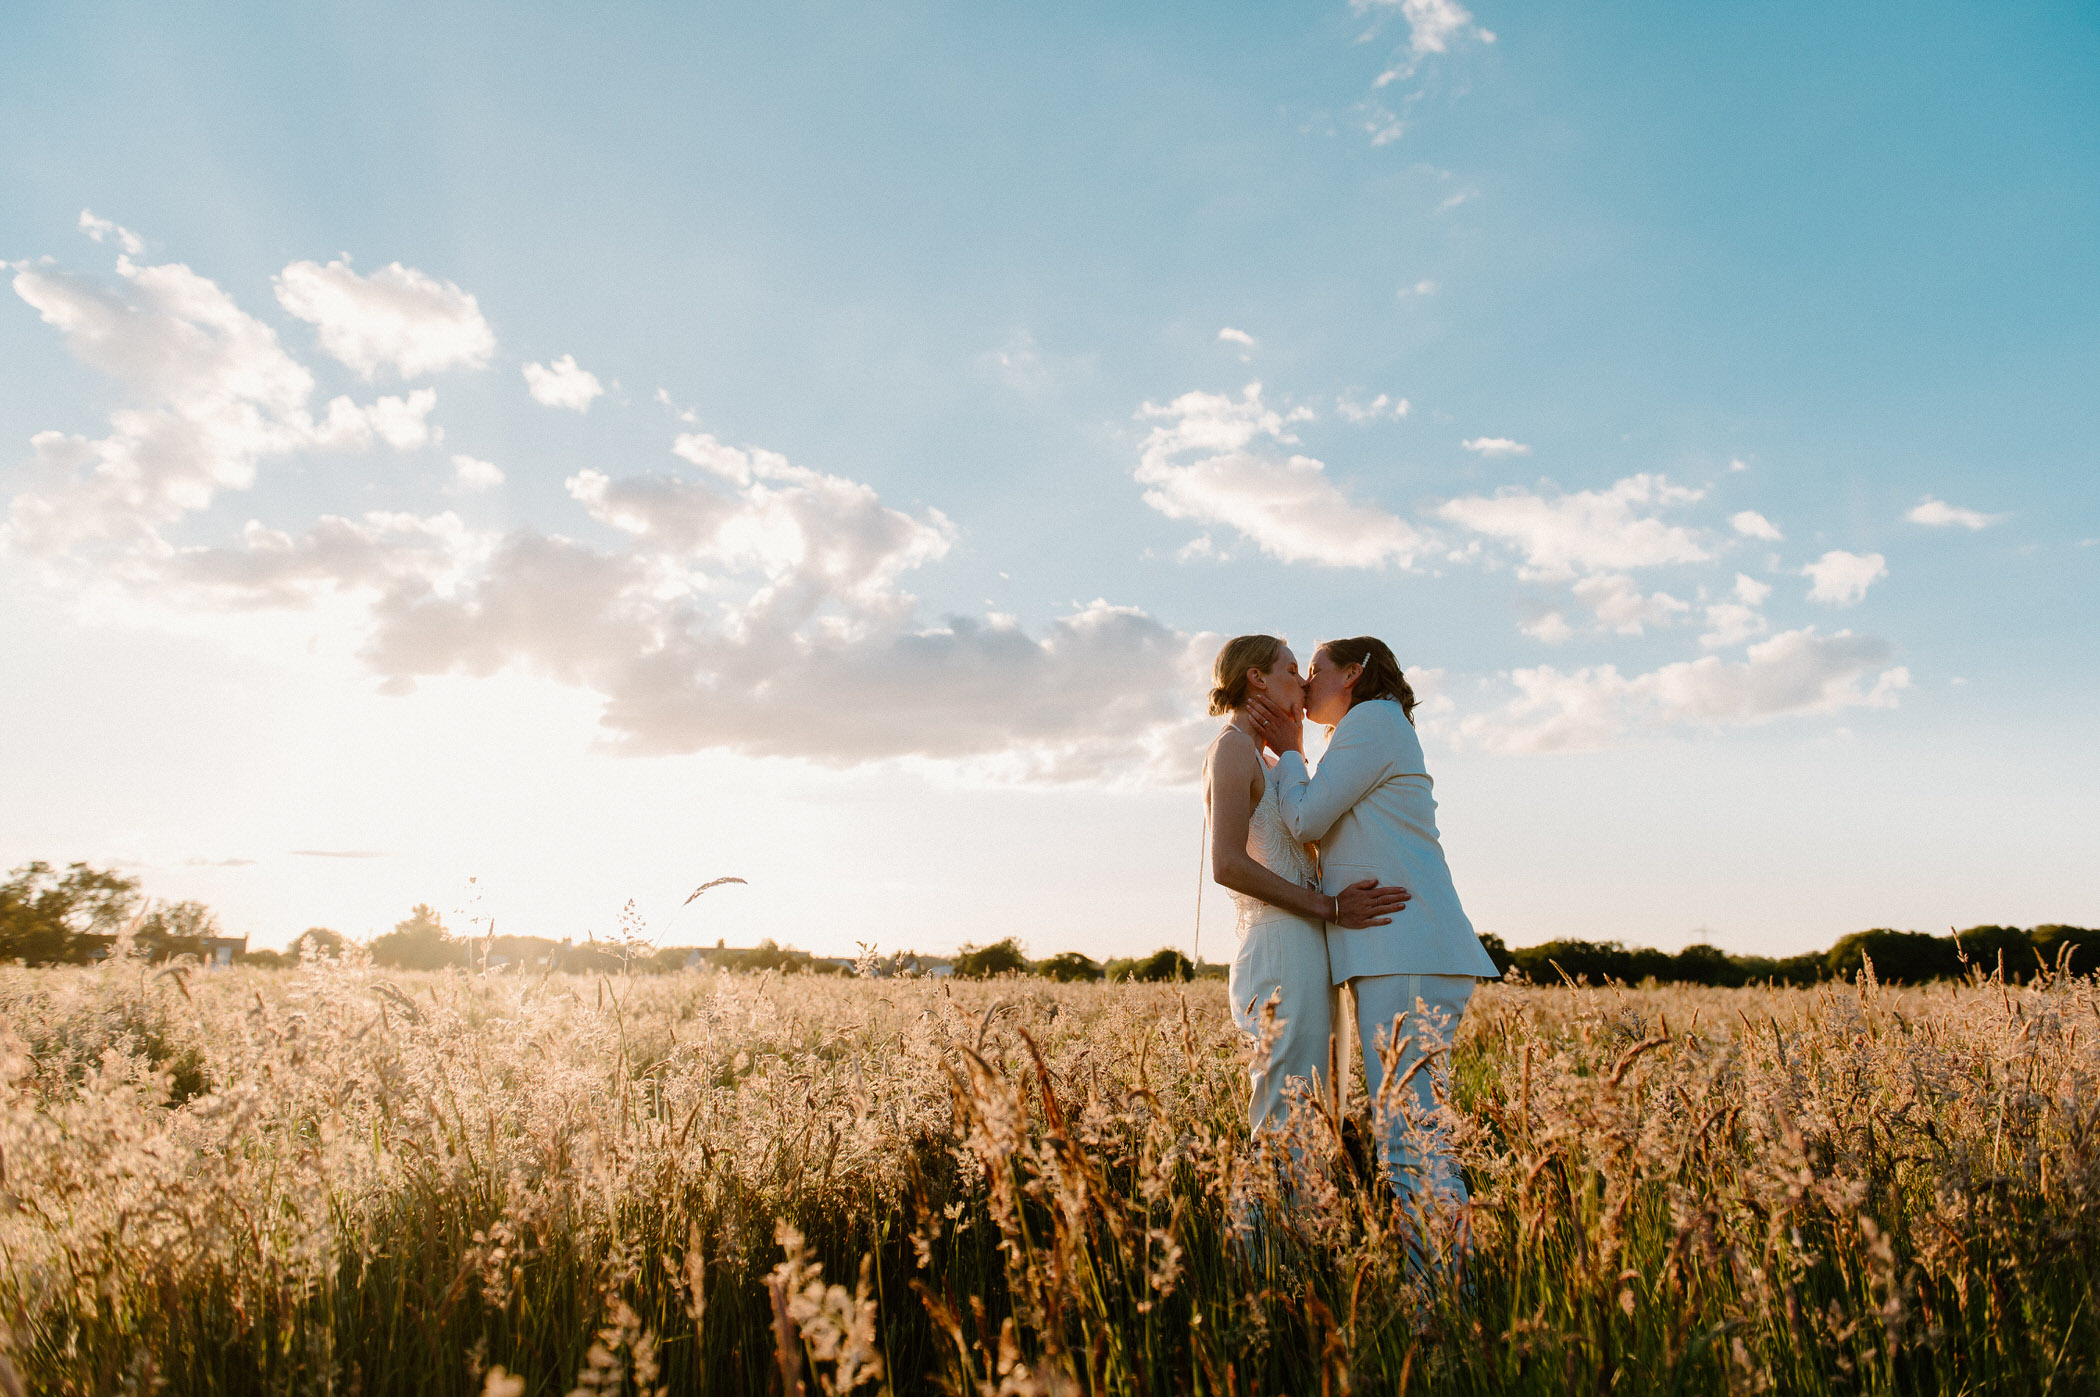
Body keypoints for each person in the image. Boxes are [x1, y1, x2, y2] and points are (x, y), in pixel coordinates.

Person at [1248, 636, 1499, 1212]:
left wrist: (1289, 751)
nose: (1307, 683)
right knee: (1408, 1129)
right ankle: (1437, 1286)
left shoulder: (1372, 722)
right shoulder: (1365, 730)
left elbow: (1307, 819)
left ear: (1354, 674)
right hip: (1397, 949)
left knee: (1410, 1134)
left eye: (1315, 669)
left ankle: (1440, 1293)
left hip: (1406, 946)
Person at [1203, 634, 1411, 1143]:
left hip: (1311, 944)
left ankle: (1305, 1219)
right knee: (1286, 1109)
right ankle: (1268, 1221)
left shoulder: (1275, 763)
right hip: (1277, 945)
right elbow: (1227, 864)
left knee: (1318, 1105)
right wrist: (1332, 906)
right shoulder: (1230, 750)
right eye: (1292, 669)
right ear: (1256, 678)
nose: (1302, 681)